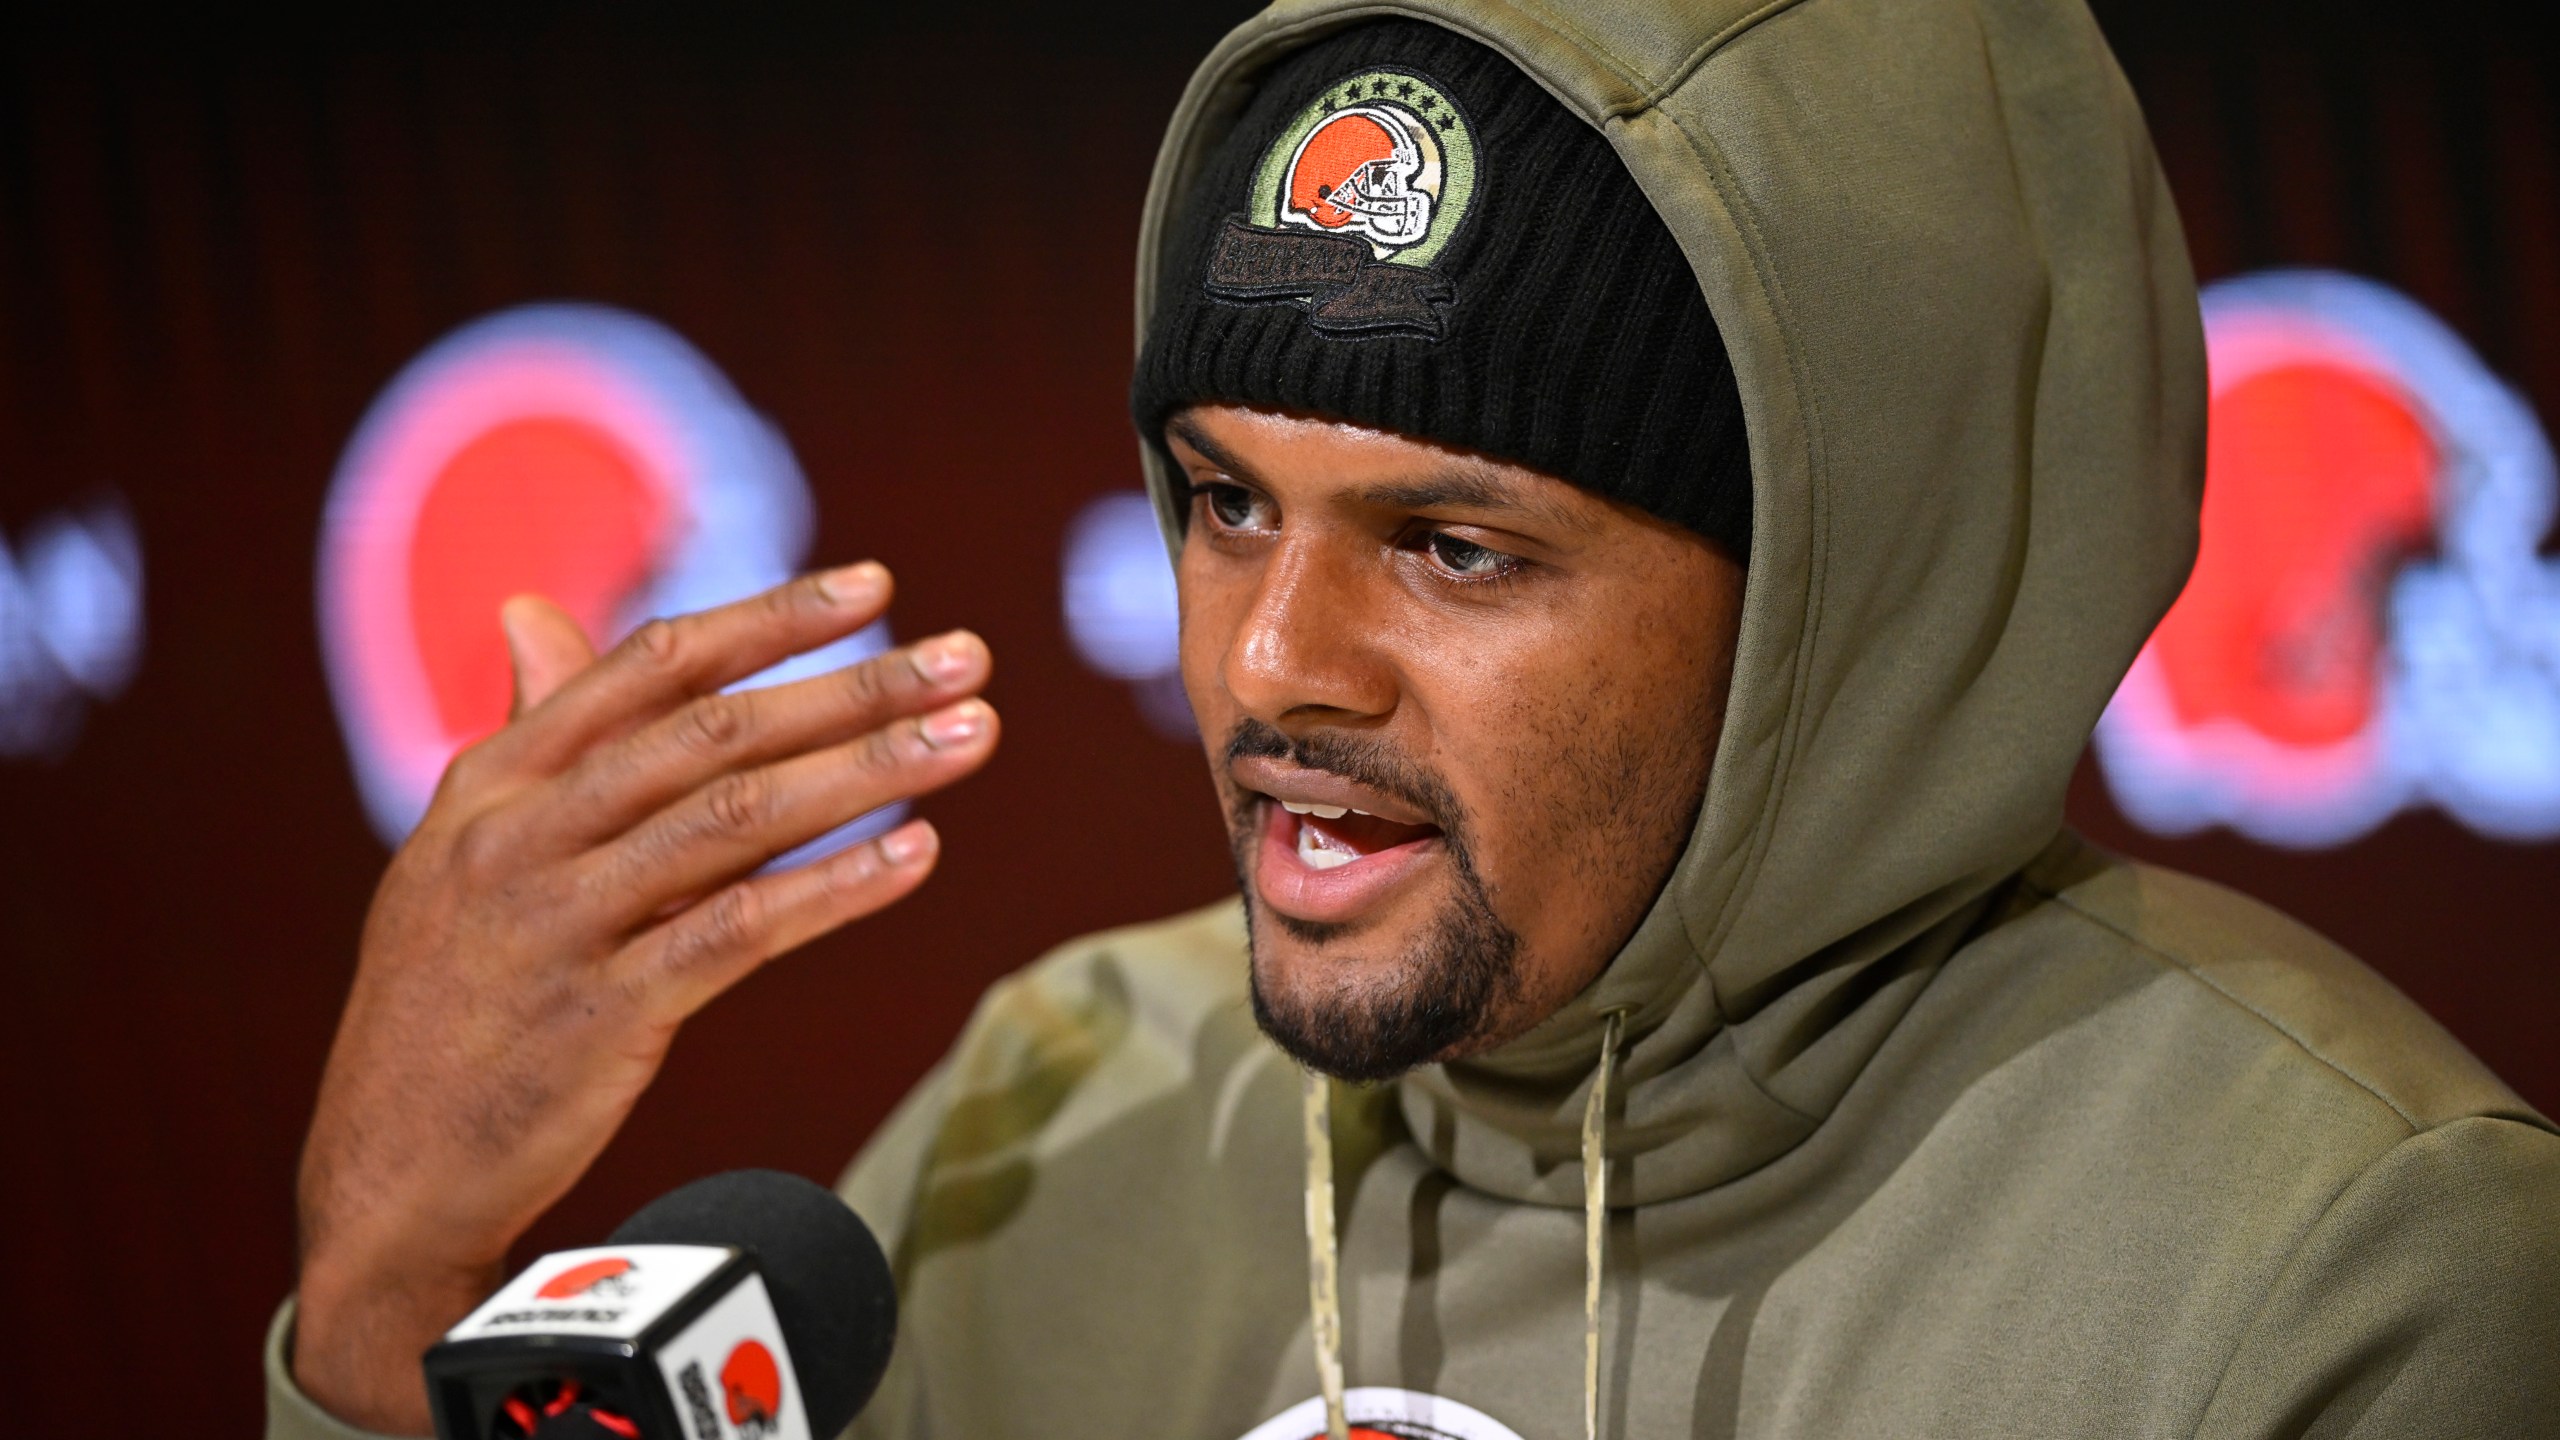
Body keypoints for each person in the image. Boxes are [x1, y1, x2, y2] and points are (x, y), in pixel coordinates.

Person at [268, 2, 2560, 1437]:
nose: (1273, 664)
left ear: (1835, 608)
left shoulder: (2341, 1272)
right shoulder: (1055, 1105)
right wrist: (382, 1303)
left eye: (1455, 547)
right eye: (1220, 503)